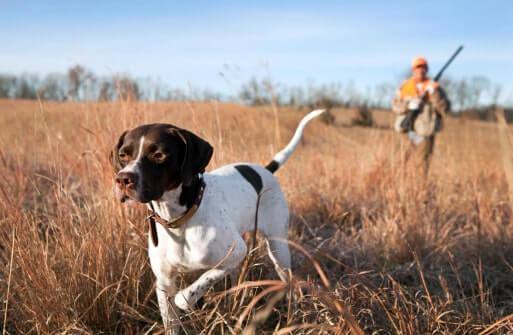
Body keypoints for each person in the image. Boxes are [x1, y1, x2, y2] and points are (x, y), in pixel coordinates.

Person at [392, 56, 451, 173]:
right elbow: (395, 106)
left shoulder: (434, 87)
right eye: (418, 67)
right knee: (400, 162)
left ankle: (420, 188)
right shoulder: (405, 86)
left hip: (425, 132)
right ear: (413, 70)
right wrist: (408, 105)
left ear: (427, 69)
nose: (421, 70)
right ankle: (400, 187)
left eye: (424, 67)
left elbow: (445, 109)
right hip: (405, 131)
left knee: (422, 165)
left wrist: (434, 94)